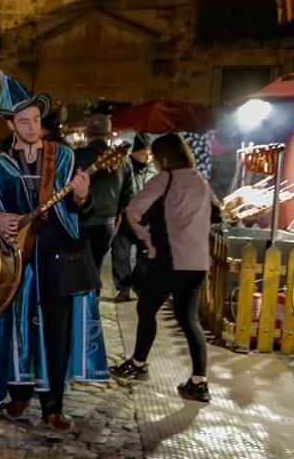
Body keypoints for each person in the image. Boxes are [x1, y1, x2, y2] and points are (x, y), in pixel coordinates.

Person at [0, 72, 108, 434]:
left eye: (36, 120)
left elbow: (81, 209)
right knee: (18, 330)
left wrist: (81, 194)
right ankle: (19, 392)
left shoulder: (62, 158)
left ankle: (53, 406)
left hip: (58, 261)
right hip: (17, 264)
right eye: (24, 121)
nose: (32, 127)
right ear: (11, 124)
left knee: (56, 334)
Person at [109, 133, 216, 403]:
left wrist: (147, 238)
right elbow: (217, 210)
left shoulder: (165, 179)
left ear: (164, 156)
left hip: (169, 260)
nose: (154, 162)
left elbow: (134, 209)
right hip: (197, 263)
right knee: (189, 319)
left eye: (156, 157)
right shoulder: (200, 180)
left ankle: (138, 364)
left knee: (146, 309)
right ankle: (199, 382)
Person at [74, 114, 133, 271]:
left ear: (86, 133)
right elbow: (128, 195)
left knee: (77, 273)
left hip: (78, 224)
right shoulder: (123, 160)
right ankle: (94, 295)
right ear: (108, 135)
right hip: (106, 225)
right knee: (95, 270)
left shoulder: (75, 157)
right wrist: (117, 215)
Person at [110, 133, 158, 302]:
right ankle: (123, 288)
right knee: (120, 255)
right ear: (136, 152)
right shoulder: (124, 166)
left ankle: (139, 284)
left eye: (150, 153)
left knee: (145, 256)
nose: (148, 157)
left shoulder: (153, 170)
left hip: (145, 220)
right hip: (125, 218)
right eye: (145, 153)